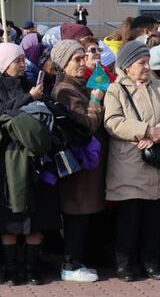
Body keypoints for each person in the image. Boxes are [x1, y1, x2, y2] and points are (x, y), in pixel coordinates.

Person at [0, 42, 57, 286]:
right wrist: (29, 98)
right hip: (10, 159)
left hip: (36, 158)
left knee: (37, 217)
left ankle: (32, 267)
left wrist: (38, 97)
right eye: (17, 61)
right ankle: (11, 269)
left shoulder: (30, 83)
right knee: (10, 218)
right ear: (4, 66)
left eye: (22, 59)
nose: (22, 64)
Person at [103, 41, 160, 282]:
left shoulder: (157, 85)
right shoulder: (116, 90)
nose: (147, 67)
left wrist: (157, 134)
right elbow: (113, 122)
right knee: (130, 219)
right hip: (129, 162)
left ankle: (151, 262)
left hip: (154, 162)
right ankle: (125, 264)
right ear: (127, 66)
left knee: (153, 220)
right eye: (141, 63)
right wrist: (146, 130)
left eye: (147, 62)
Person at [50, 40, 106, 283]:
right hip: (77, 163)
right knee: (76, 213)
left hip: (86, 164)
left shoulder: (76, 86)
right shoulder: (65, 90)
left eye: (84, 57)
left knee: (82, 215)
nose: (83, 63)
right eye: (77, 59)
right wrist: (95, 101)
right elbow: (86, 125)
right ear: (63, 63)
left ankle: (77, 261)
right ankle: (70, 264)